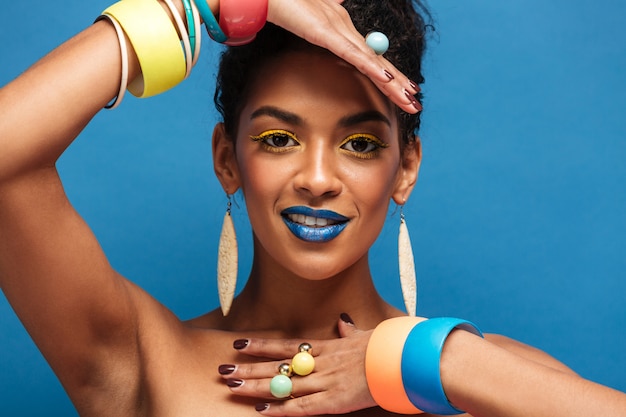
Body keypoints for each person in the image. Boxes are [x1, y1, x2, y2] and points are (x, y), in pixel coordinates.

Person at [0, 1, 625, 417]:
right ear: (227, 160)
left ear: (405, 167)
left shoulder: (486, 378)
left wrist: (425, 359)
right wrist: (209, 8)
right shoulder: (142, 361)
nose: (318, 179)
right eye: (278, 139)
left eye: (359, 144)